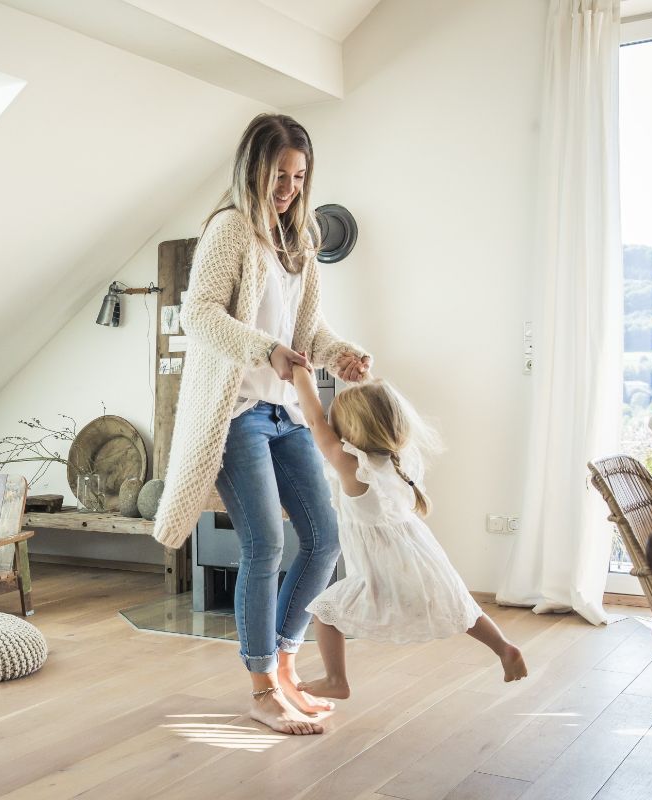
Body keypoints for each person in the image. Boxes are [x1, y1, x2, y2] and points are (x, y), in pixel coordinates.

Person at [152, 113, 371, 736]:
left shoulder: (300, 240)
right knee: (265, 545)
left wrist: (340, 354)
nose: (289, 189)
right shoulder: (229, 230)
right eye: (279, 175)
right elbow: (198, 315)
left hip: (288, 412)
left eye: (299, 177)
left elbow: (307, 331)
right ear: (253, 169)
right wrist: (264, 350)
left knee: (324, 539)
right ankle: (261, 688)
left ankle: (285, 666)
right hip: (237, 413)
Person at [291, 366, 528, 699]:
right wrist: (362, 379)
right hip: (420, 559)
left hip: (381, 570)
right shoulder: (399, 458)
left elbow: (315, 422)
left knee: (324, 612)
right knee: (458, 605)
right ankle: (504, 647)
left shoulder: (352, 466)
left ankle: (336, 680)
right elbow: (372, 408)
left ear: (350, 429)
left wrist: (300, 373)